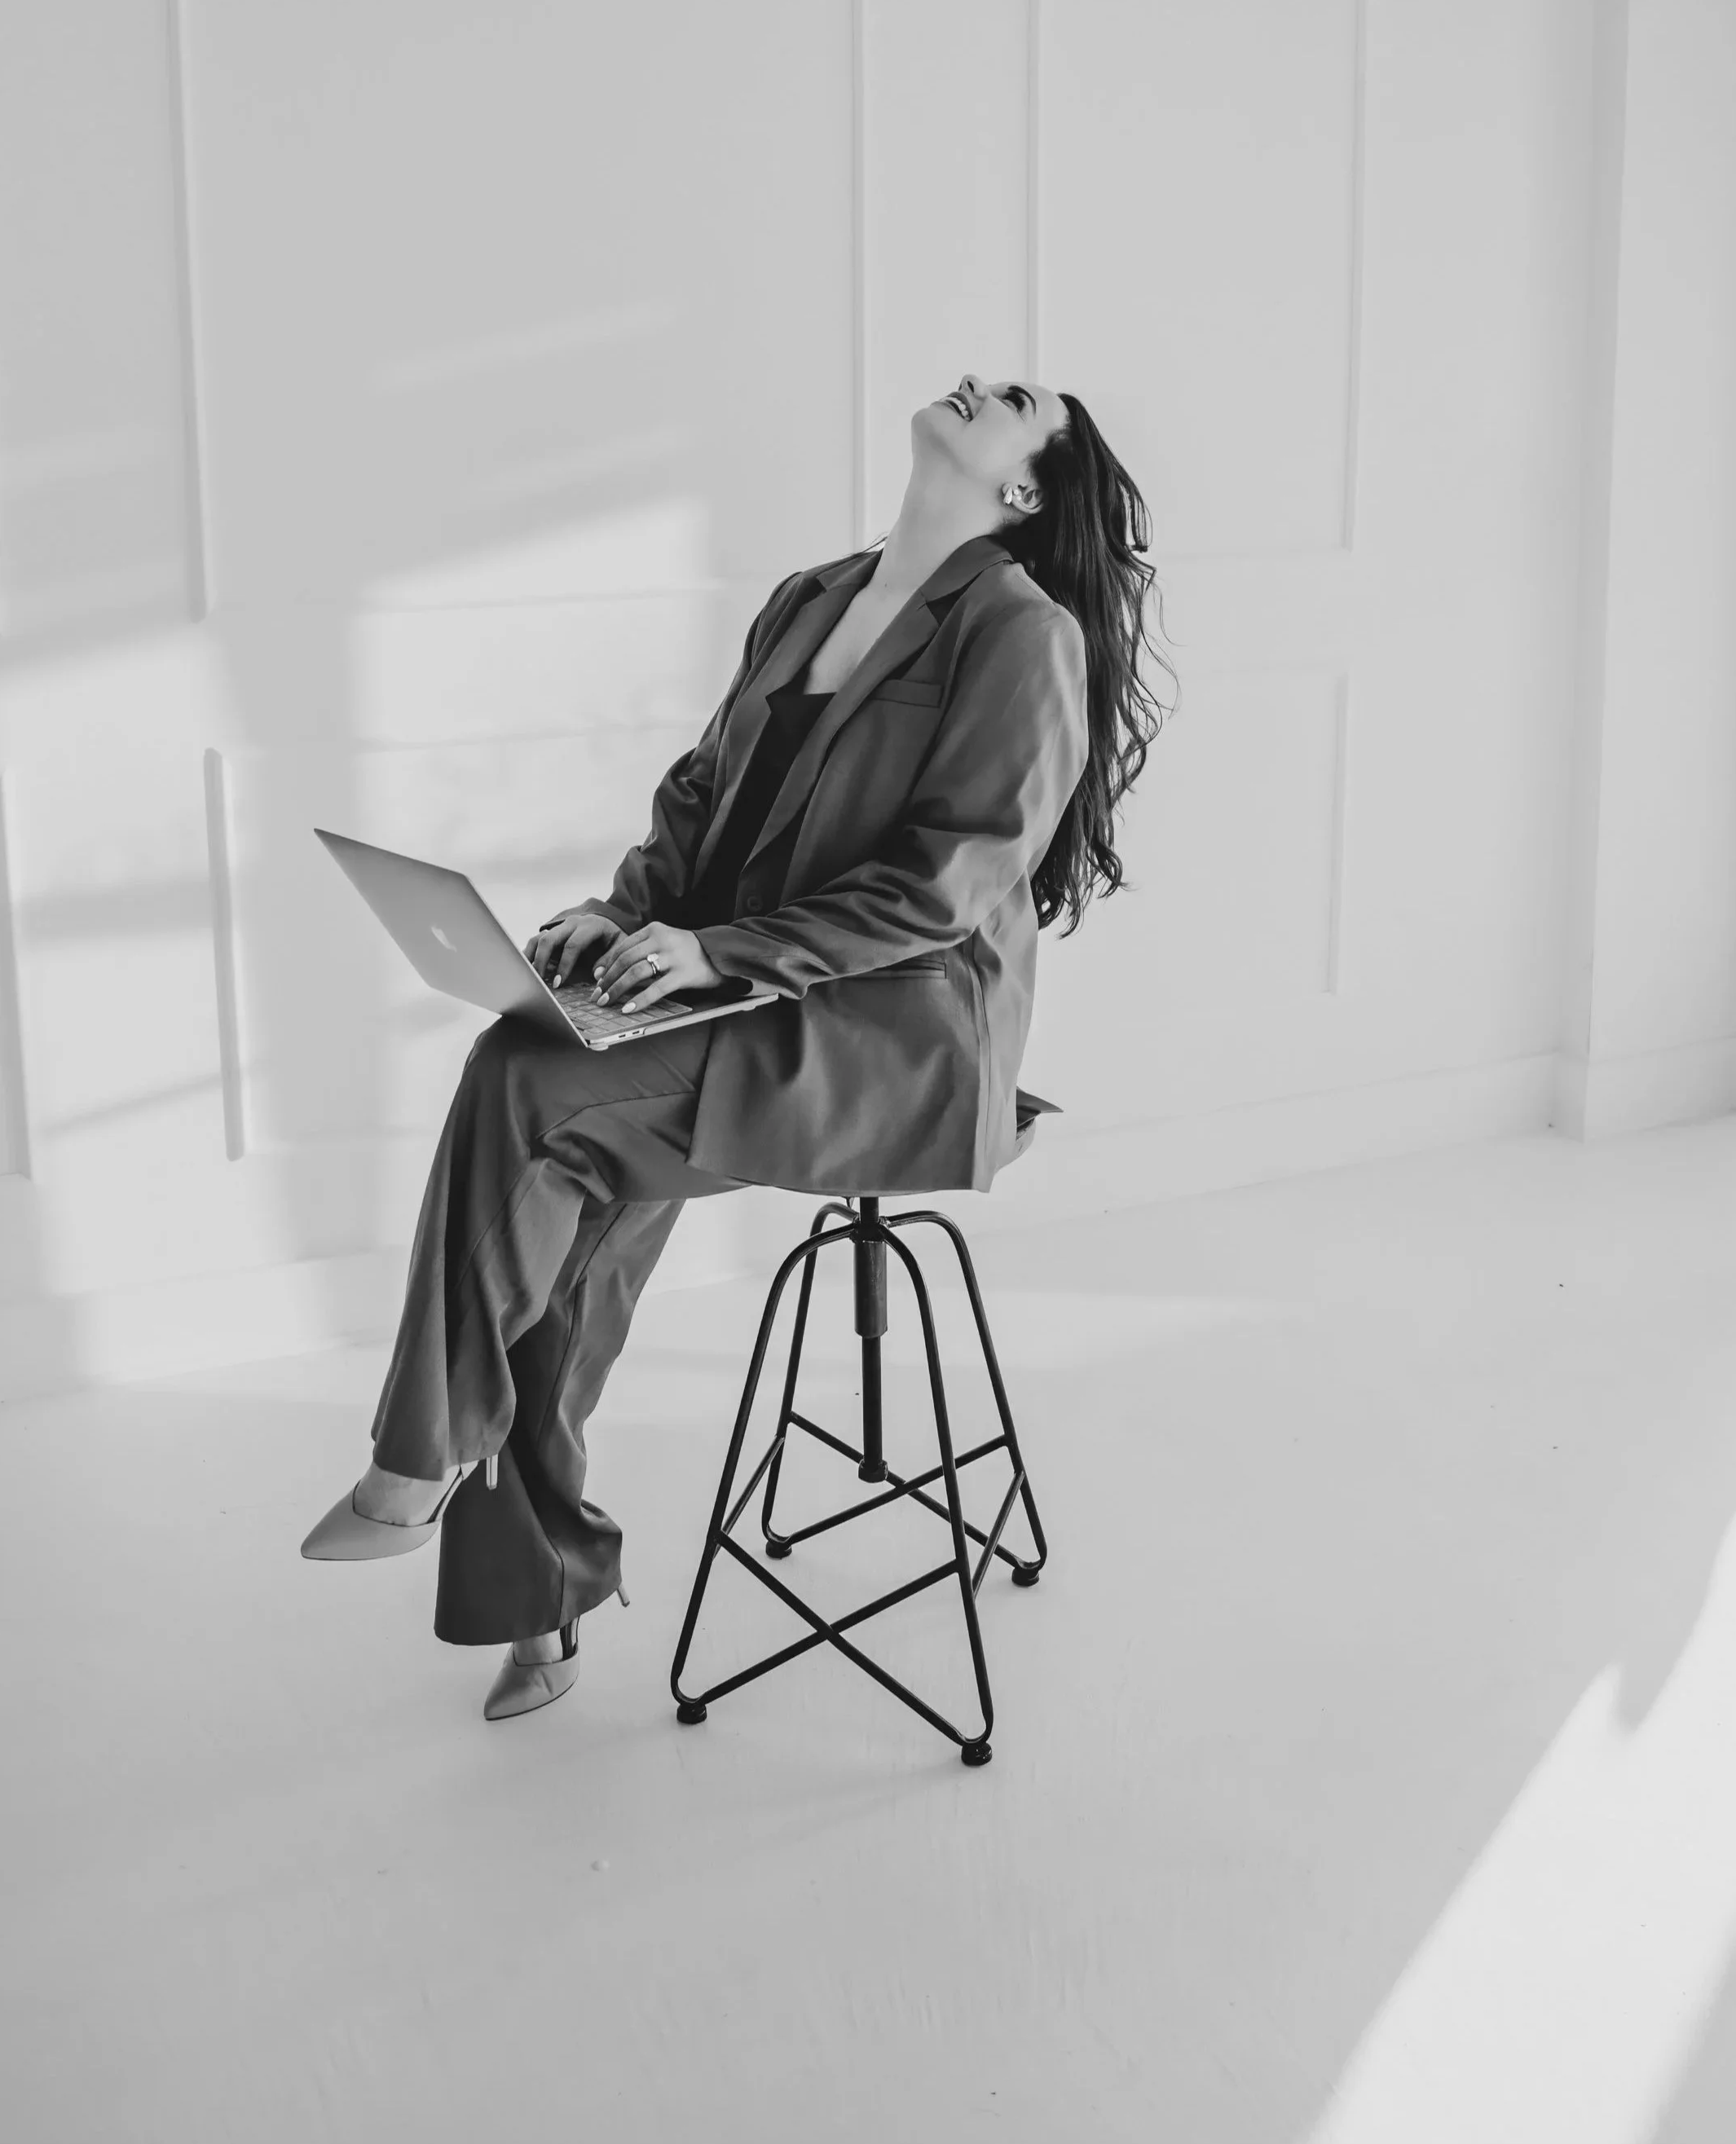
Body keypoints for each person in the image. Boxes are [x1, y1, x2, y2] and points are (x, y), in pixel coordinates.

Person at [302, 371, 1171, 1722]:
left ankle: (417, 1464)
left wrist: (722, 959)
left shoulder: (1020, 632)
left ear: (1023, 491)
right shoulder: (814, 594)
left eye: (1012, 401)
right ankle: (544, 1602)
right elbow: (703, 795)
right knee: (555, 1201)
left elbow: (951, 886)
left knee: (528, 1087)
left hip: (892, 1032)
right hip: (736, 988)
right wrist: (628, 918)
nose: (976, 384)